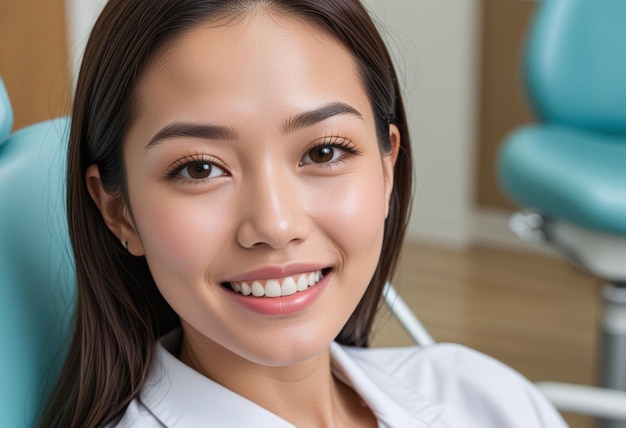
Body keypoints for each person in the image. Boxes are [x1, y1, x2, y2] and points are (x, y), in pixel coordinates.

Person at [39, 0, 568, 427]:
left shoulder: (483, 397)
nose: (276, 224)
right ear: (118, 210)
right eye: (200, 169)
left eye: (324, 152)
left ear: (387, 168)